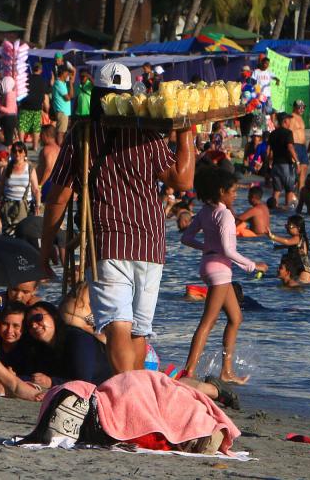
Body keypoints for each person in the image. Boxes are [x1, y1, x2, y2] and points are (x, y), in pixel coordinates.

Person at [40, 64, 196, 375]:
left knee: (117, 327)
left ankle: (126, 393)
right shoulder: (147, 135)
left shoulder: (82, 135)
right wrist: (186, 133)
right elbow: (184, 181)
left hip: (109, 241)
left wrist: (45, 249)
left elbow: (58, 198)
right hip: (150, 243)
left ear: (96, 98)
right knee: (138, 330)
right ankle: (134, 396)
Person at [179, 167, 265, 383]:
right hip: (220, 269)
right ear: (221, 191)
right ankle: (189, 371)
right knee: (208, 322)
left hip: (208, 265)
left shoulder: (206, 210)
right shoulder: (225, 214)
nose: (236, 195)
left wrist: (207, 249)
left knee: (236, 318)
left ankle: (226, 372)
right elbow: (228, 250)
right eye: (233, 191)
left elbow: (186, 238)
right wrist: (253, 266)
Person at [16, 302, 113, 388]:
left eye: (38, 318)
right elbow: (34, 377)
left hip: (104, 393)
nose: (34, 325)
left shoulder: (78, 339)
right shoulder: (42, 349)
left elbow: (83, 383)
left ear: (54, 316)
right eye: (29, 324)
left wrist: (51, 382)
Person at [0, 141, 41, 235]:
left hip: (24, 205)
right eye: (15, 151)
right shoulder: (7, 168)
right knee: (7, 234)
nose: (17, 154)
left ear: (24, 153)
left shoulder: (30, 169)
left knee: (22, 232)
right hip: (7, 205)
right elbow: (1, 188)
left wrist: (37, 205)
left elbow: (36, 189)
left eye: (20, 151)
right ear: (12, 153)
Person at [268, 215, 310, 287]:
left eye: (290, 226)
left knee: (292, 286)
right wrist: (280, 247)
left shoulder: (298, 237)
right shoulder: (296, 239)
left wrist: (272, 236)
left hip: (304, 271)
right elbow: (290, 245)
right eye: (286, 226)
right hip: (297, 269)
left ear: (298, 228)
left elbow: (287, 242)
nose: (287, 228)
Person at [267, 112, 299, 209]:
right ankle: (287, 209)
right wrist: (297, 161)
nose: (290, 122)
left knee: (277, 190)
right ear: (285, 121)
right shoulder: (288, 133)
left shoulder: (272, 134)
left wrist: (268, 163)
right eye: (289, 120)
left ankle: (273, 208)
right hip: (286, 165)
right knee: (289, 190)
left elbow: (268, 150)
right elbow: (290, 147)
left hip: (276, 165)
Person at [18, 63, 47, 150]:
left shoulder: (27, 79)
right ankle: (35, 146)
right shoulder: (42, 80)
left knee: (22, 125)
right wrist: (46, 107)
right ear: (40, 70)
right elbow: (45, 95)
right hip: (37, 106)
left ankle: (21, 144)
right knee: (36, 127)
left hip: (25, 105)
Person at [0, 74, 18, 145]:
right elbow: (14, 108)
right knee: (8, 139)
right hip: (11, 118)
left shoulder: (9, 95)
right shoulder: (12, 94)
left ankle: (8, 153)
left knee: (8, 140)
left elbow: (8, 110)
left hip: (8, 118)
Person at [51, 66, 73, 144]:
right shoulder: (59, 83)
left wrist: (70, 84)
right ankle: (59, 150)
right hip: (62, 111)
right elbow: (68, 98)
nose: (68, 75)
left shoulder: (62, 83)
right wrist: (70, 84)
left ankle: (59, 148)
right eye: (67, 73)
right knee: (61, 132)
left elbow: (71, 96)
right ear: (63, 73)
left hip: (64, 112)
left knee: (62, 132)